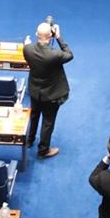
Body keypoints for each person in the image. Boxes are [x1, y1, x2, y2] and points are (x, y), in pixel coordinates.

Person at [23, 20, 72, 159]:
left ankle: (29, 140)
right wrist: (59, 37)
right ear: (50, 36)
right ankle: (43, 150)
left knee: (34, 116)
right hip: (51, 95)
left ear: (36, 34)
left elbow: (28, 46)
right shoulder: (54, 55)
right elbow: (69, 54)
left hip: (34, 91)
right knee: (48, 122)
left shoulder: (27, 49)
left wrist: (28, 42)